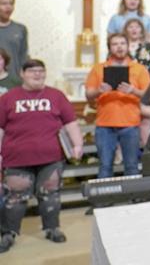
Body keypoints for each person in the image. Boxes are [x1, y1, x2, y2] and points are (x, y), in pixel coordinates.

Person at [0, 59, 82, 253]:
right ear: (22, 73)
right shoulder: (8, 98)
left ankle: (52, 228)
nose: (37, 75)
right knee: (15, 198)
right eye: (32, 71)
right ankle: (8, 233)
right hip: (16, 158)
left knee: (50, 196)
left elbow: (71, 122)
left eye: (41, 71)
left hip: (51, 158)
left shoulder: (56, 96)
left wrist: (77, 144)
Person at [85, 33, 150, 178]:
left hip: (130, 124)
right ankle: (104, 200)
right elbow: (88, 94)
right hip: (105, 125)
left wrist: (133, 90)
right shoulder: (98, 68)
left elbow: (148, 95)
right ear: (109, 48)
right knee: (105, 166)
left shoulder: (139, 69)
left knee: (132, 166)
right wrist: (99, 90)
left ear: (128, 46)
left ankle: (133, 199)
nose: (119, 47)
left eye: (122, 43)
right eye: (115, 44)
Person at [0, 0, 28, 76]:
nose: (8, 7)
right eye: (4, 4)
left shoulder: (20, 29)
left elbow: (23, 56)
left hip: (14, 80)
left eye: (11, 3)